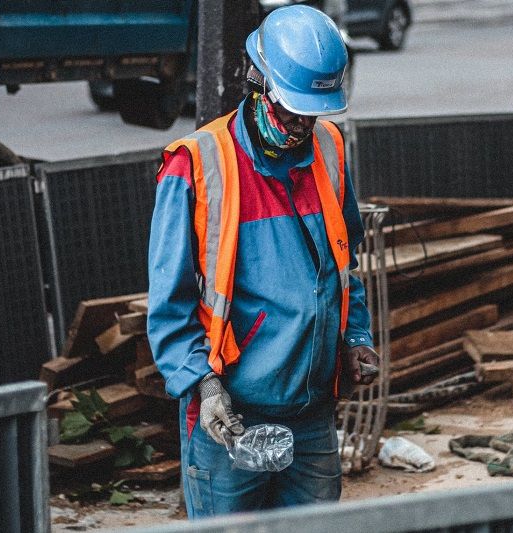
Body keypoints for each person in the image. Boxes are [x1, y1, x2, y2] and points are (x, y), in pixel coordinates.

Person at [147, 4, 379, 518]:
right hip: (230, 415)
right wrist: (202, 385)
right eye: (289, 112)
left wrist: (355, 337)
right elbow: (169, 306)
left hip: (312, 411)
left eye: (310, 115)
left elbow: (344, 265)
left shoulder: (330, 149)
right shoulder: (196, 166)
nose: (299, 128)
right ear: (258, 85)